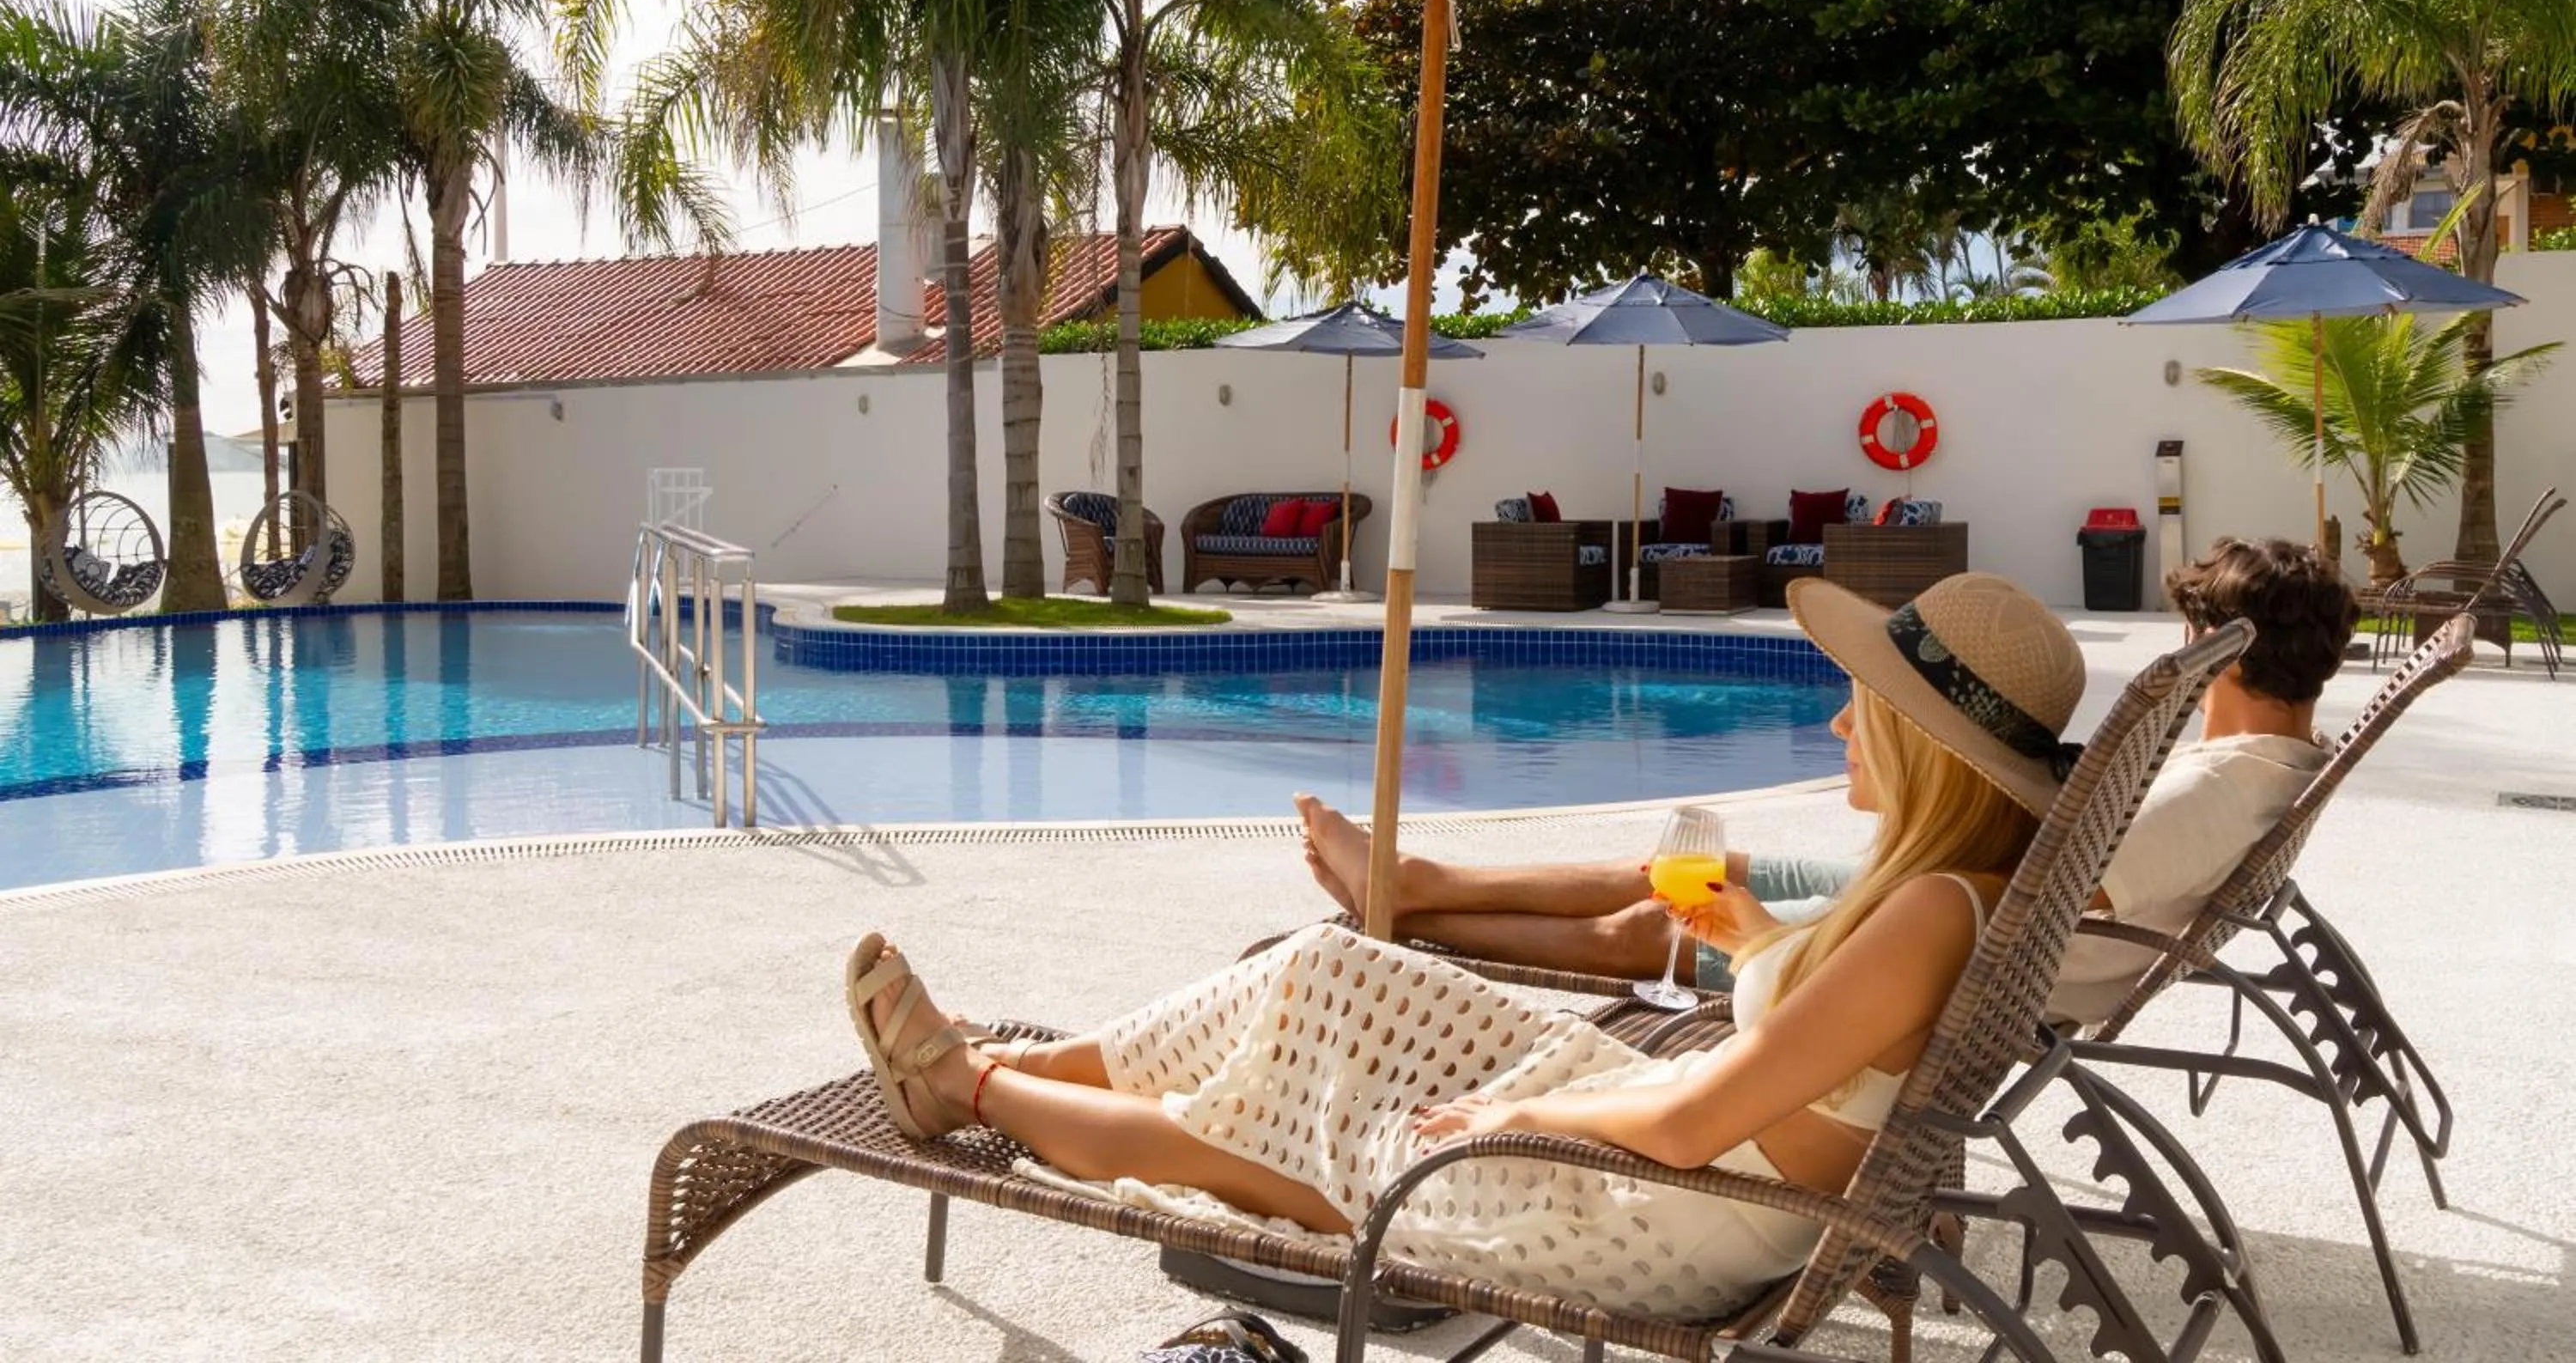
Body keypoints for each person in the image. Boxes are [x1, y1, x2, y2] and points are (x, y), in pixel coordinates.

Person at [844, 574, 2085, 1320]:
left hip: (1651, 1214)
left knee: (1293, 1142)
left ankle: (974, 1086)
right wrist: (1756, 938)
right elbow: (1818, 1057)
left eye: (1863, 711)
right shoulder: (1946, 895)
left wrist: (1511, 1121)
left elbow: (1692, 1131)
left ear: (1930, 746)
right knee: (1335, 973)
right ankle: (1046, 1062)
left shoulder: (1928, 914)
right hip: (1671, 1148)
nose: (1835, 721)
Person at [1293, 537, 2358, 1025]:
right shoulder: (2259, 768)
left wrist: (1795, 924)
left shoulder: (2218, 788)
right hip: (1939, 893)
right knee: (1682, 865)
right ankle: (1419, 878)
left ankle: (1400, 917)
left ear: (2218, 646)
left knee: (1647, 928)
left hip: (1941, 939)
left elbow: (2048, 897)